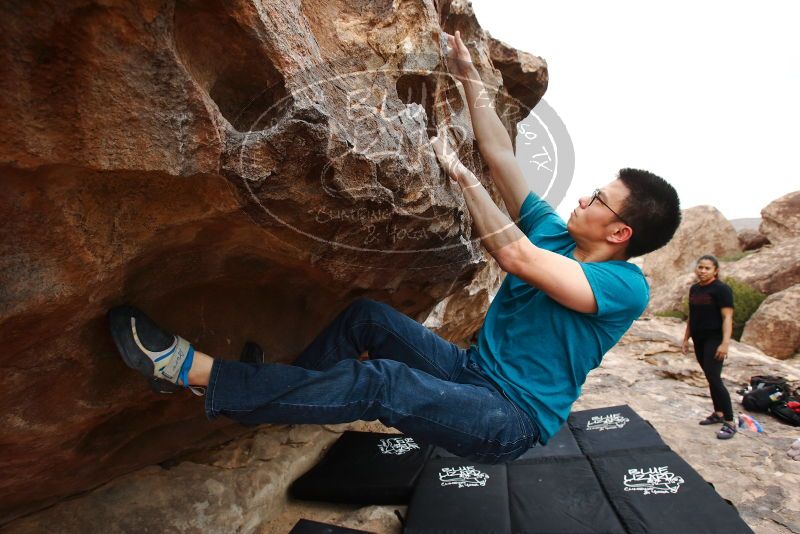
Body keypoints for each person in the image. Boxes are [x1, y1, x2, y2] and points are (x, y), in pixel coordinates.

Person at [108, 31, 681, 463]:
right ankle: (273, 395)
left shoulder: (622, 287)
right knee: (366, 321)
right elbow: (503, 154)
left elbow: (516, 258)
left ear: (619, 233)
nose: (583, 198)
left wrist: (462, 177)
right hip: (470, 371)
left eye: (599, 200)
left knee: (381, 381)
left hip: (509, 418)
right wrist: (467, 78)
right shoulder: (555, 230)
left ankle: (193, 370)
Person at [681, 255, 736, 440]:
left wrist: (725, 343)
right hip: (699, 338)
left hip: (715, 338)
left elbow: (727, 317)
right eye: (700, 267)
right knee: (709, 377)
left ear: (715, 271)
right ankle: (718, 413)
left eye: (707, 268)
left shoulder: (721, 289)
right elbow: (692, 314)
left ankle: (730, 421)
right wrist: (686, 337)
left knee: (714, 377)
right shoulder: (695, 289)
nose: (702, 271)